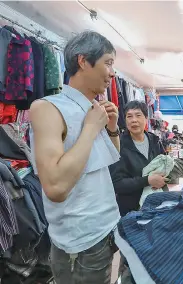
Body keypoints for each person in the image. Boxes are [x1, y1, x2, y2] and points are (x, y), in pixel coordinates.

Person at [29, 31, 121, 283]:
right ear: (83, 61)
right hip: (80, 243)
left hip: (107, 228)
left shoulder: (94, 108)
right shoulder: (47, 108)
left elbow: (109, 160)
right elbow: (56, 187)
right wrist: (91, 128)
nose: (112, 73)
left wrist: (111, 127)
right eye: (108, 62)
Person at [110, 100, 166, 217]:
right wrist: (147, 180)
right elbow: (117, 184)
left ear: (146, 118)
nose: (134, 120)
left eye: (138, 115)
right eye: (129, 116)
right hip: (131, 211)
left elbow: (165, 166)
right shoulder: (118, 145)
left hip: (157, 206)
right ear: (125, 120)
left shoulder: (154, 141)